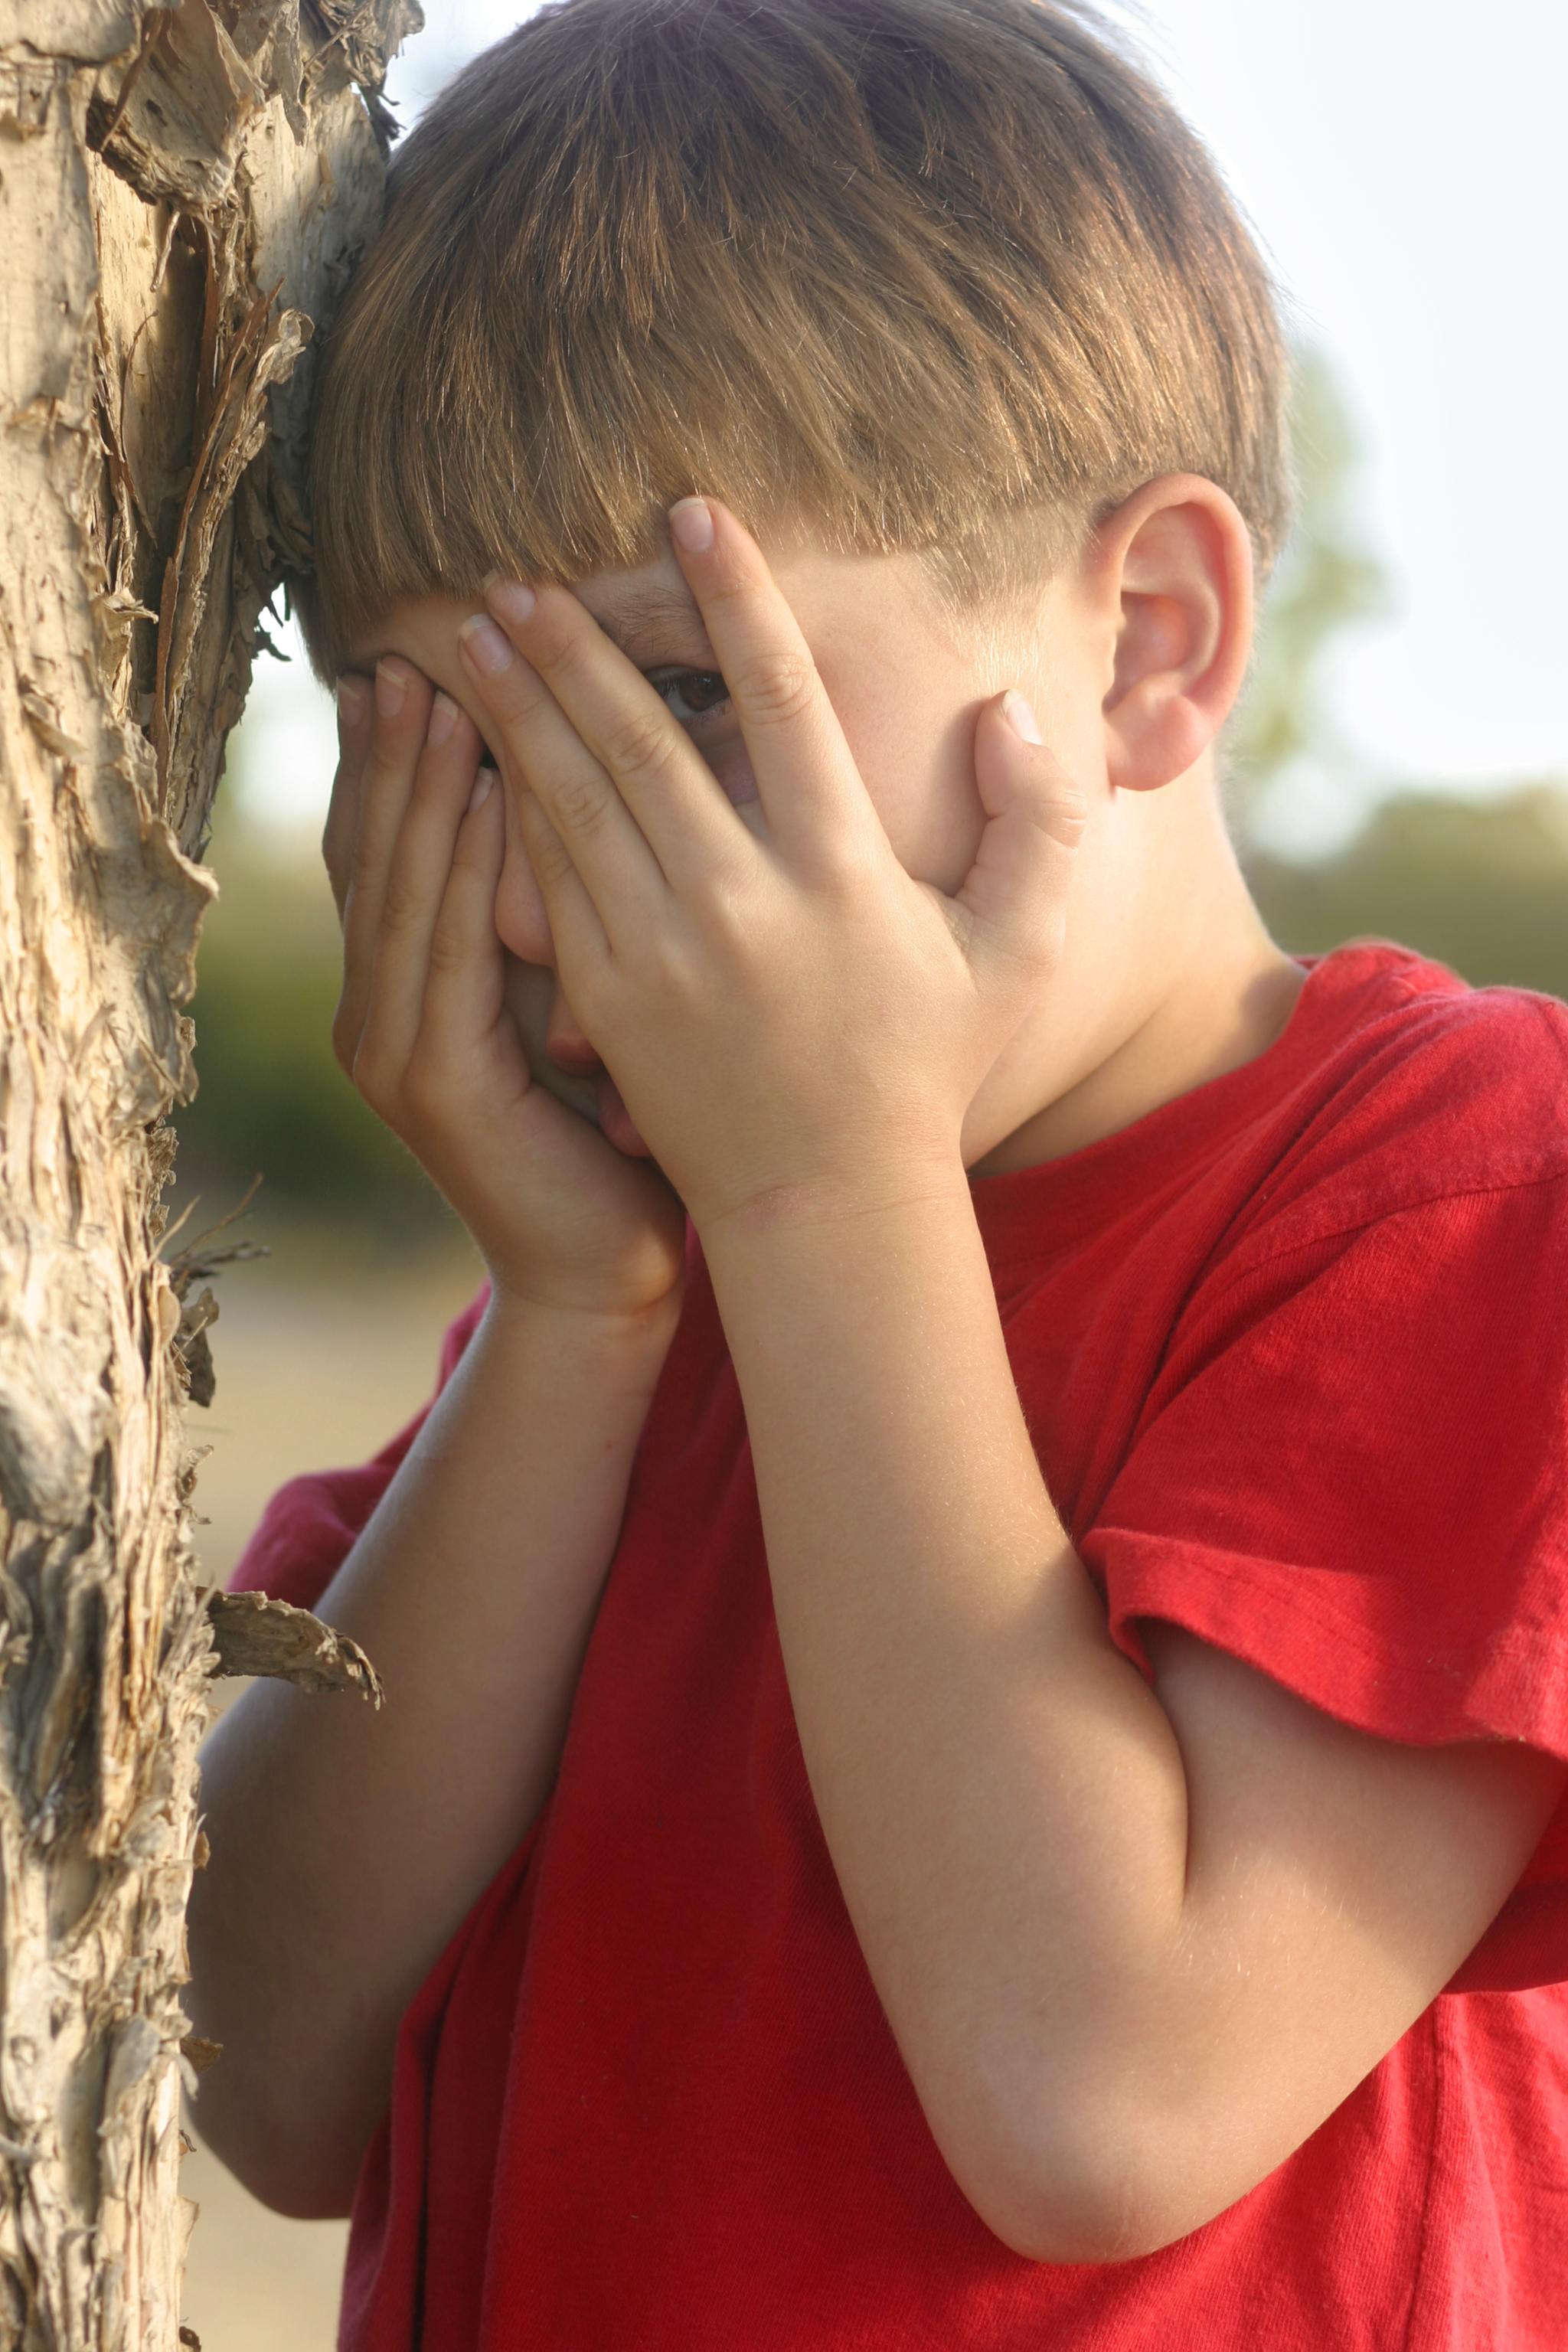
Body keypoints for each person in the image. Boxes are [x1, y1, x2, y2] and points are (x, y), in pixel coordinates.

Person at [185, 1, 1568, 2344]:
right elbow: (256, 2069)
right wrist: (581, 1322)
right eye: (449, 758)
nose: (539, 905)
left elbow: (1098, 2092)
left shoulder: (1460, 1195)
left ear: (1147, 645)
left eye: (678, 705)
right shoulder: (625, 1305)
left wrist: (827, 1202)